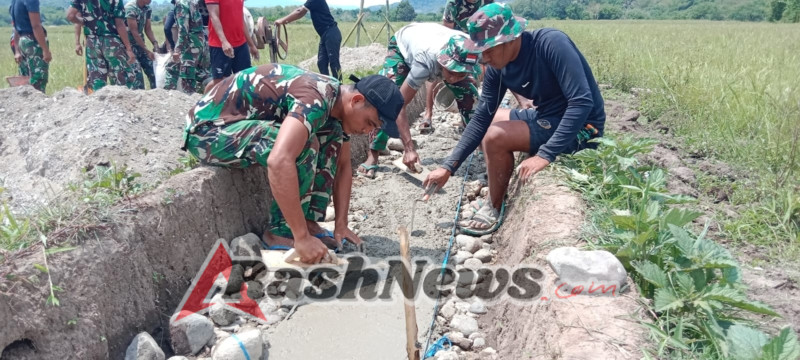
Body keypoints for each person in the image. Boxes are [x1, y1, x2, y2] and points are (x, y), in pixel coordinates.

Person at [182, 64, 403, 263]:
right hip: (208, 132)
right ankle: (281, 231)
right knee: (304, 143)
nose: (367, 131)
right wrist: (301, 238)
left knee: (332, 134)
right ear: (356, 100)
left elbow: (344, 165)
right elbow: (279, 160)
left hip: (238, 127)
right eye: (369, 123)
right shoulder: (315, 99)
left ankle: (307, 220)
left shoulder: (336, 103)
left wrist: (341, 224)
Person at [424, 3, 606, 235]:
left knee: (494, 136)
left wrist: (545, 154)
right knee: (488, 123)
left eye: (488, 50)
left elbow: (581, 102)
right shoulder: (497, 68)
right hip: (546, 115)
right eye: (480, 51)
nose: (484, 58)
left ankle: (494, 205)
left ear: (510, 38)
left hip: (583, 126)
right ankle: (497, 180)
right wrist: (448, 167)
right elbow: (481, 117)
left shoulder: (551, 43)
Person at [357, 23, 480, 179]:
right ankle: (373, 153)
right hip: (403, 45)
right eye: (451, 72)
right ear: (442, 61)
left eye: (461, 74)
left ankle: (482, 146)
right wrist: (408, 149)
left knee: (471, 99)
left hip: (432, 39)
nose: (454, 78)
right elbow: (398, 106)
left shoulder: (473, 53)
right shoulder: (425, 62)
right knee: (387, 98)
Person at [67, 0, 137, 91]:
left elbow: (70, 16)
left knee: (97, 80)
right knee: (122, 78)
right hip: (111, 42)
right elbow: (119, 23)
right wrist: (129, 48)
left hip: (91, 42)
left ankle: (99, 99)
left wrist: (84, 22)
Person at [275, 0, 341, 80]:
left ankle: (339, 84)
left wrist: (282, 20)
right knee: (321, 63)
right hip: (324, 34)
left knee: (334, 62)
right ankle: (328, 83)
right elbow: (301, 11)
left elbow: (300, 12)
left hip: (331, 33)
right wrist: (285, 20)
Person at [205, 0, 258, 88]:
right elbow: (214, 16)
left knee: (245, 78)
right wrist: (224, 41)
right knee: (221, 82)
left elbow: (241, 18)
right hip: (219, 45)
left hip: (241, 43)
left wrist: (251, 45)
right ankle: (206, 97)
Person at [164, 0, 209, 94]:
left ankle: (171, 96)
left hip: (189, 45)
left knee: (183, 73)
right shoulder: (192, 2)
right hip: (200, 42)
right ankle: (212, 84)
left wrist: (177, 50)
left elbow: (183, 30)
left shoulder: (181, 4)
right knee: (199, 72)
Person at [11, 0, 50, 92]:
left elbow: (15, 27)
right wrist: (45, 49)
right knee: (38, 78)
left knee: (24, 78)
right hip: (33, 42)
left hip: (22, 41)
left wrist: (17, 50)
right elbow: (36, 26)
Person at [125, 0, 158, 89]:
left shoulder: (147, 9)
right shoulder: (131, 8)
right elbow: (134, 32)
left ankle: (156, 94)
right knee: (137, 77)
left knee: (153, 71)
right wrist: (147, 51)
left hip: (141, 46)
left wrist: (155, 43)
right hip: (129, 48)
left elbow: (148, 29)